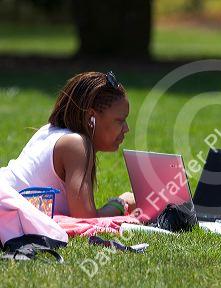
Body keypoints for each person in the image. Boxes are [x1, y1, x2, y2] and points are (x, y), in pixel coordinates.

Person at [0, 71, 135, 218]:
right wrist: (120, 203)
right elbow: (85, 219)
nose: (126, 128)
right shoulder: (76, 144)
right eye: (120, 120)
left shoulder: (51, 131)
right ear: (91, 117)